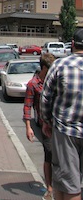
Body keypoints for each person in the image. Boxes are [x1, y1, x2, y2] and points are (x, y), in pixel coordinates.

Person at [41, 28, 83, 200]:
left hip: (66, 132)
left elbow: (46, 98)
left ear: (72, 44)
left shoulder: (60, 65)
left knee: (70, 185)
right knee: (64, 181)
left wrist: (46, 121)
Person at [23, 53, 56, 200]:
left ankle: (59, 184)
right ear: (43, 68)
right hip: (45, 125)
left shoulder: (55, 81)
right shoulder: (33, 84)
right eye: (50, 68)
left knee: (61, 157)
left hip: (60, 124)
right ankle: (49, 187)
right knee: (49, 155)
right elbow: (27, 106)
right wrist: (28, 127)